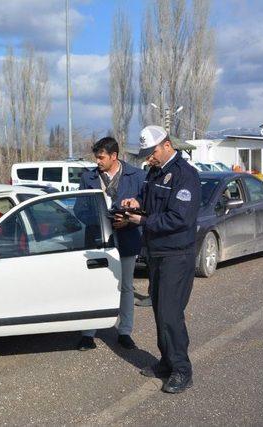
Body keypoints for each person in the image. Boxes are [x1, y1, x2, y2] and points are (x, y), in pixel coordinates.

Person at [121, 125, 201, 394]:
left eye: (151, 152)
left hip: (176, 255)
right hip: (156, 253)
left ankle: (182, 370)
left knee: (170, 314)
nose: (148, 158)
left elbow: (179, 218)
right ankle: (166, 362)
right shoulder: (154, 172)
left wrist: (143, 220)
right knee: (160, 311)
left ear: (167, 145)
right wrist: (135, 203)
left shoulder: (184, 176)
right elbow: (147, 199)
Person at [75, 137, 146, 352]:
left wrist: (128, 218)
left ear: (114, 156)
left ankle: (125, 332)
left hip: (128, 237)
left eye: (101, 157)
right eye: (96, 157)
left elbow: (146, 205)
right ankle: (88, 334)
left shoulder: (137, 176)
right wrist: (101, 221)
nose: (97, 161)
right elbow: (79, 209)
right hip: (97, 240)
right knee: (94, 285)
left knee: (125, 286)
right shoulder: (88, 177)